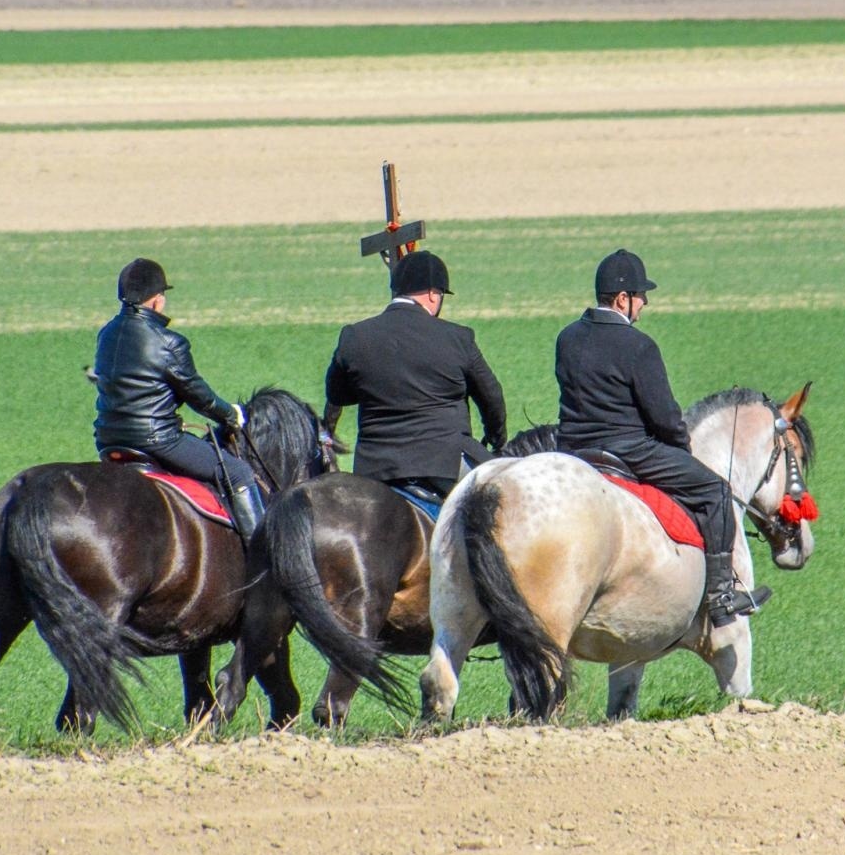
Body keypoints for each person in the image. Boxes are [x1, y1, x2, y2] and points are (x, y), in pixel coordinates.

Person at [555, 248, 770, 627]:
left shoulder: (567, 337)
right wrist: (680, 446)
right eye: (641, 296)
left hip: (573, 451)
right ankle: (721, 596)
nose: (645, 303)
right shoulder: (639, 346)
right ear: (623, 299)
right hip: (630, 450)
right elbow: (665, 417)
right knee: (716, 491)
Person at [92, 258, 265, 537]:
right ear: (157, 301)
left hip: (108, 439)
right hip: (158, 440)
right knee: (239, 474)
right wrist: (230, 416)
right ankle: (263, 555)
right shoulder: (169, 342)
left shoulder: (106, 334)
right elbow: (199, 396)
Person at [325, 250, 507, 500]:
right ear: (434, 293)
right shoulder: (458, 337)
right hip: (443, 463)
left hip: (375, 467)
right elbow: (491, 396)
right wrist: (497, 440)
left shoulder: (355, 336)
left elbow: (338, 394)